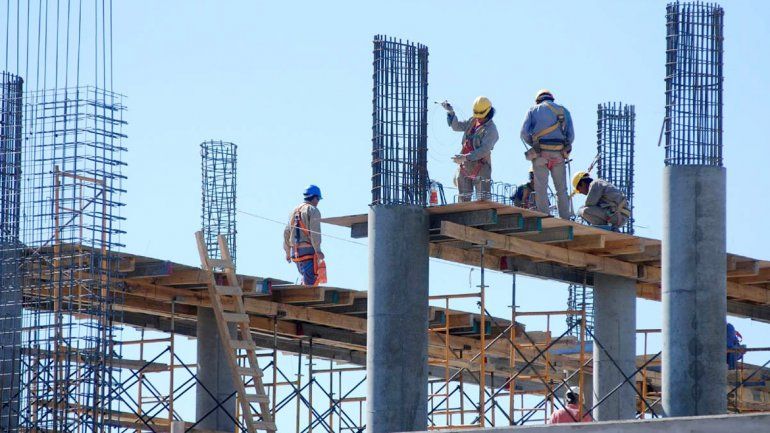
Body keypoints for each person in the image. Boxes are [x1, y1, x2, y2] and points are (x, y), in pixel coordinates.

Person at [520, 89, 574, 218]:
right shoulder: (563, 111)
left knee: (541, 189)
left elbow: (523, 133)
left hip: (540, 154)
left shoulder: (533, 110)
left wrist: (534, 145)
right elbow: (571, 136)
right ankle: (565, 217)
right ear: (551, 99)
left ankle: (544, 217)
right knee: (561, 190)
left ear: (538, 100)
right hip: (558, 155)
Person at [441, 96, 499, 202]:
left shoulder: (491, 130)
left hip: (481, 167)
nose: (478, 118)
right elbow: (456, 126)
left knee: (483, 202)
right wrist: (450, 112)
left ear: (488, 113)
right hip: (464, 167)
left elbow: (484, 150)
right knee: (463, 202)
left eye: (481, 115)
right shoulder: (473, 121)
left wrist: (465, 157)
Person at [283, 185, 327, 286]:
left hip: (295, 253)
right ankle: (308, 291)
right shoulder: (313, 210)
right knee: (313, 280)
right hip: (308, 252)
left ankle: (305, 286)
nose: (318, 202)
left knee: (306, 277)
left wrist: (287, 252)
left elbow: (286, 232)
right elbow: (315, 232)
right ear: (314, 198)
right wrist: (318, 251)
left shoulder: (293, 211)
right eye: (318, 199)